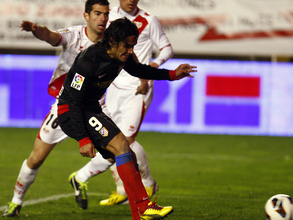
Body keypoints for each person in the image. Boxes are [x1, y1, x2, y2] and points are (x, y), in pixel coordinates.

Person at [57, 17, 196, 220]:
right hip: (71, 111)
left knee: (126, 155)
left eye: (133, 46)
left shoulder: (122, 56)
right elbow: (74, 103)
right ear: (112, 40)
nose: (131, 51)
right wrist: (83, 139)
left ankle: (138, 215)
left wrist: (173, 74)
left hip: (91, 109)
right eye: (127, 46)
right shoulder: (89, 60)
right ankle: (144, 206)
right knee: (122, 144)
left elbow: (140, 70)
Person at [2, 0, 111, 217]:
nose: (102, 18)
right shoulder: (73, 35)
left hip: (94, 109)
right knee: (36, 158)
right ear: (86, 16)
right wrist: (36, 29)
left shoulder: (110, 42)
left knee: (114, 151)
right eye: (97, 13)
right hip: (65, 107)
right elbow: (51, 36)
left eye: (106, 14)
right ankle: (16, 202)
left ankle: (80, 177)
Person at [69, 0, 174, 206]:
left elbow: (167, 49)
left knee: (125, 141)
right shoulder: (110, 18)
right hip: (114, 86)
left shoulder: (149, 20)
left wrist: (152, 68)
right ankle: (122, 190)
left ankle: (145, 183)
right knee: (116, 140)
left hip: (138, 87)